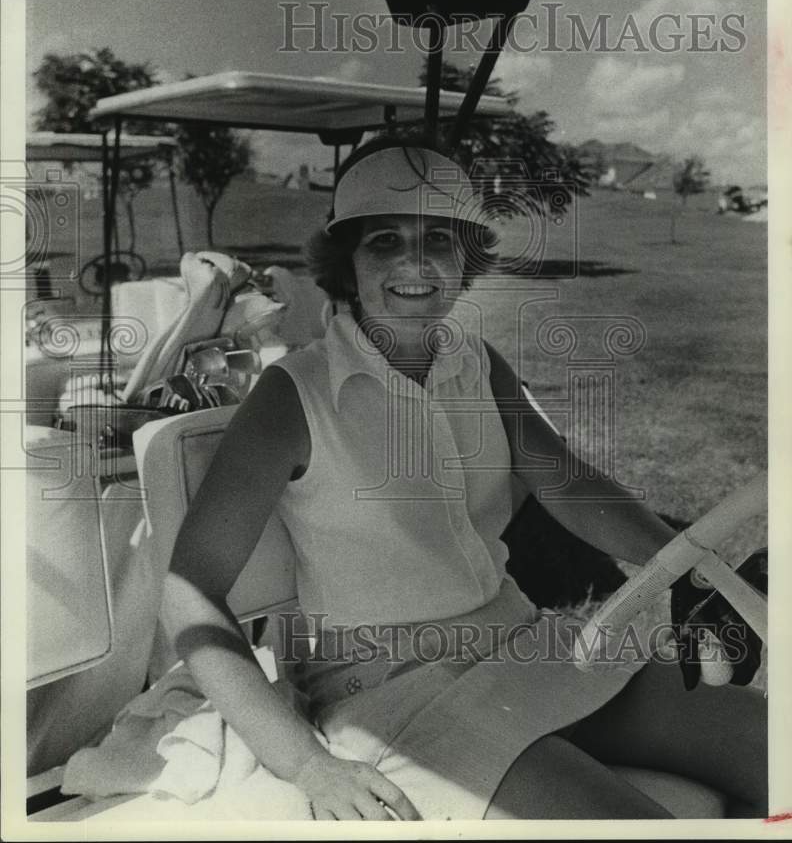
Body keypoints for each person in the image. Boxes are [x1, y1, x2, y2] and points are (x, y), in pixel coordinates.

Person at [161, 139, 767, 821]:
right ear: (345, 264)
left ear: (464, 259)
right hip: (390, 691)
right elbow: (189, 593)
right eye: (385, 240)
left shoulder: (477, 363)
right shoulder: (291, 394)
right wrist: (307, 763)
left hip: (524, 644)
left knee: (768, 739)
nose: (415, 263)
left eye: (439, 240)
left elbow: (566, 484)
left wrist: (691, 567)